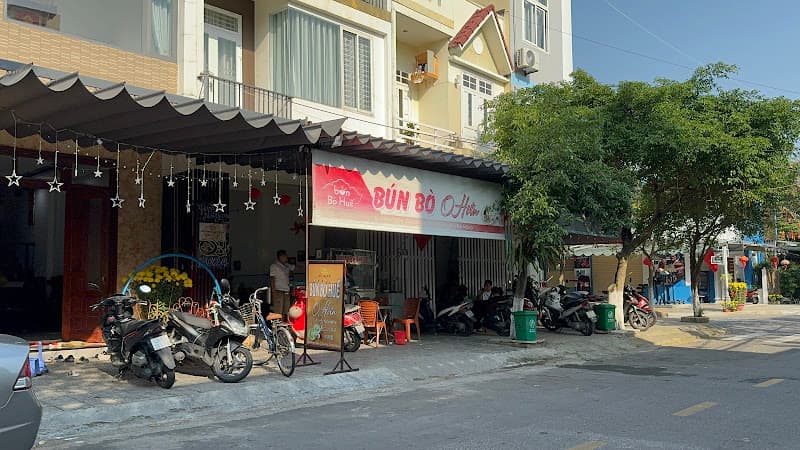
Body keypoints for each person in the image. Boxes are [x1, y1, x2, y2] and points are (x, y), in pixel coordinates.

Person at [269, 250, 295, 318]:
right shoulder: (274, 266)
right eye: (285, 256)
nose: (287, 258)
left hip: (286, 290)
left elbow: (296, 268)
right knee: (278, 310)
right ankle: (278, 325)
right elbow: (272, 279)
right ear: (281, 257)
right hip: (278, 291)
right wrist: (273, 292)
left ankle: (283, 323)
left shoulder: (287, 265)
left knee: (286, 310)